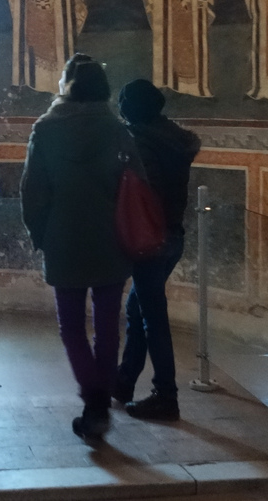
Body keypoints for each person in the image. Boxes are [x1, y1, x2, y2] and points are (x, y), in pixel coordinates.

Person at [22, 53, 141, 440]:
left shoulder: (46, 128)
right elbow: (137, 181)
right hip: (111, 238)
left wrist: (41, 234)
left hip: (63, 238)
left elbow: (32, 191)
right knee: (108, 325)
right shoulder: (117, 129)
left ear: (67, 86)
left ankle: (93, 397)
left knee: (70, 326)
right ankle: (99, 396)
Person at [113, 79, 201, 420]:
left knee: (152, 318)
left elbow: (141, 193)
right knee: (139, 310)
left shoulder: (140, 142)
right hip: (172, 237)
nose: (119, 106)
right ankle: (123, 382)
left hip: (150, 239)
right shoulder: (174, 140)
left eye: (123, 101)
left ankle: (166, 396)